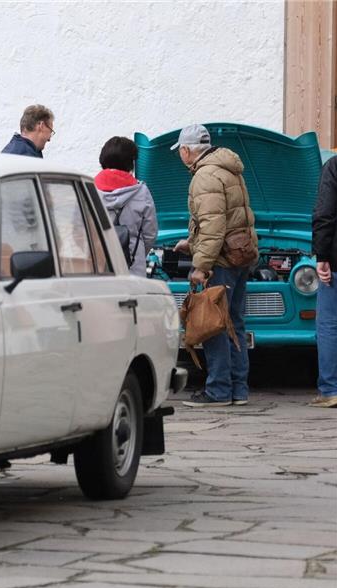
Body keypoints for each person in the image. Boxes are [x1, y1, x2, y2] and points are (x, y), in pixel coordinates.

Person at [171, 124, 258, 407]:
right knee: (235, 322)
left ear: (186, 150)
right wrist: (191, 241)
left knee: (214, 324)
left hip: (220, 261)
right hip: (240, 256)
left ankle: (219, 390)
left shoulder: (204, 176)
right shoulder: (228, 168)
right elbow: (224, 219)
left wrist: (200, 264)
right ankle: (238, 389)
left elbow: (213, 226)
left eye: (180, 150)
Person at [94, 136, 158, 276]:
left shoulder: (88, 189)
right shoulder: (141, 192)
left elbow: (77, 229)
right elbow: (150, 233)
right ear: (131, 162)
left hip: (97, 268)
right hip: (133, 269)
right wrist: (137, 253)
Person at [311, 155, 337, 407]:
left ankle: (331, 389)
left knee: (329, 325)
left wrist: (322, 256)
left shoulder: (334, 166)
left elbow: (325, 213)